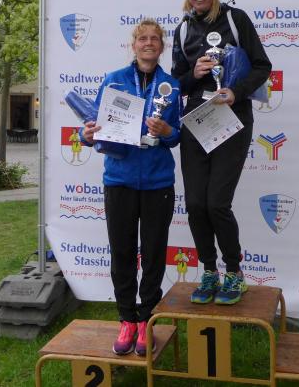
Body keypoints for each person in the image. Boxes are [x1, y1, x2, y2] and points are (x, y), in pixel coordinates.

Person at [172, 0, 272, 305]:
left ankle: (234, 272)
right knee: (195, 204)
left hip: (232, 118)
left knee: (217, 203)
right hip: (196, 120)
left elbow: (262, 66)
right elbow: (176, 82)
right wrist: (194, 74)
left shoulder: (235, 19)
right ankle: (209, 271)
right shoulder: (183, 29)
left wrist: (236, 91)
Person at [81, 18, 181, 356]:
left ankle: (147, 318)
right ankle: (127, 319)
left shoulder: (171, 85)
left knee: (153, 254)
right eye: (143, 38)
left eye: (155, 38)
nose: (149, 43)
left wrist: (167, 131)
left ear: (162, 46)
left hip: (158, 182)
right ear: (133, 44)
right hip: (120, 180)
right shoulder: (114, 81)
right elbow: (91, 126)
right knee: (122, 252)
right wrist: (86, 135)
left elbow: (177, 135)